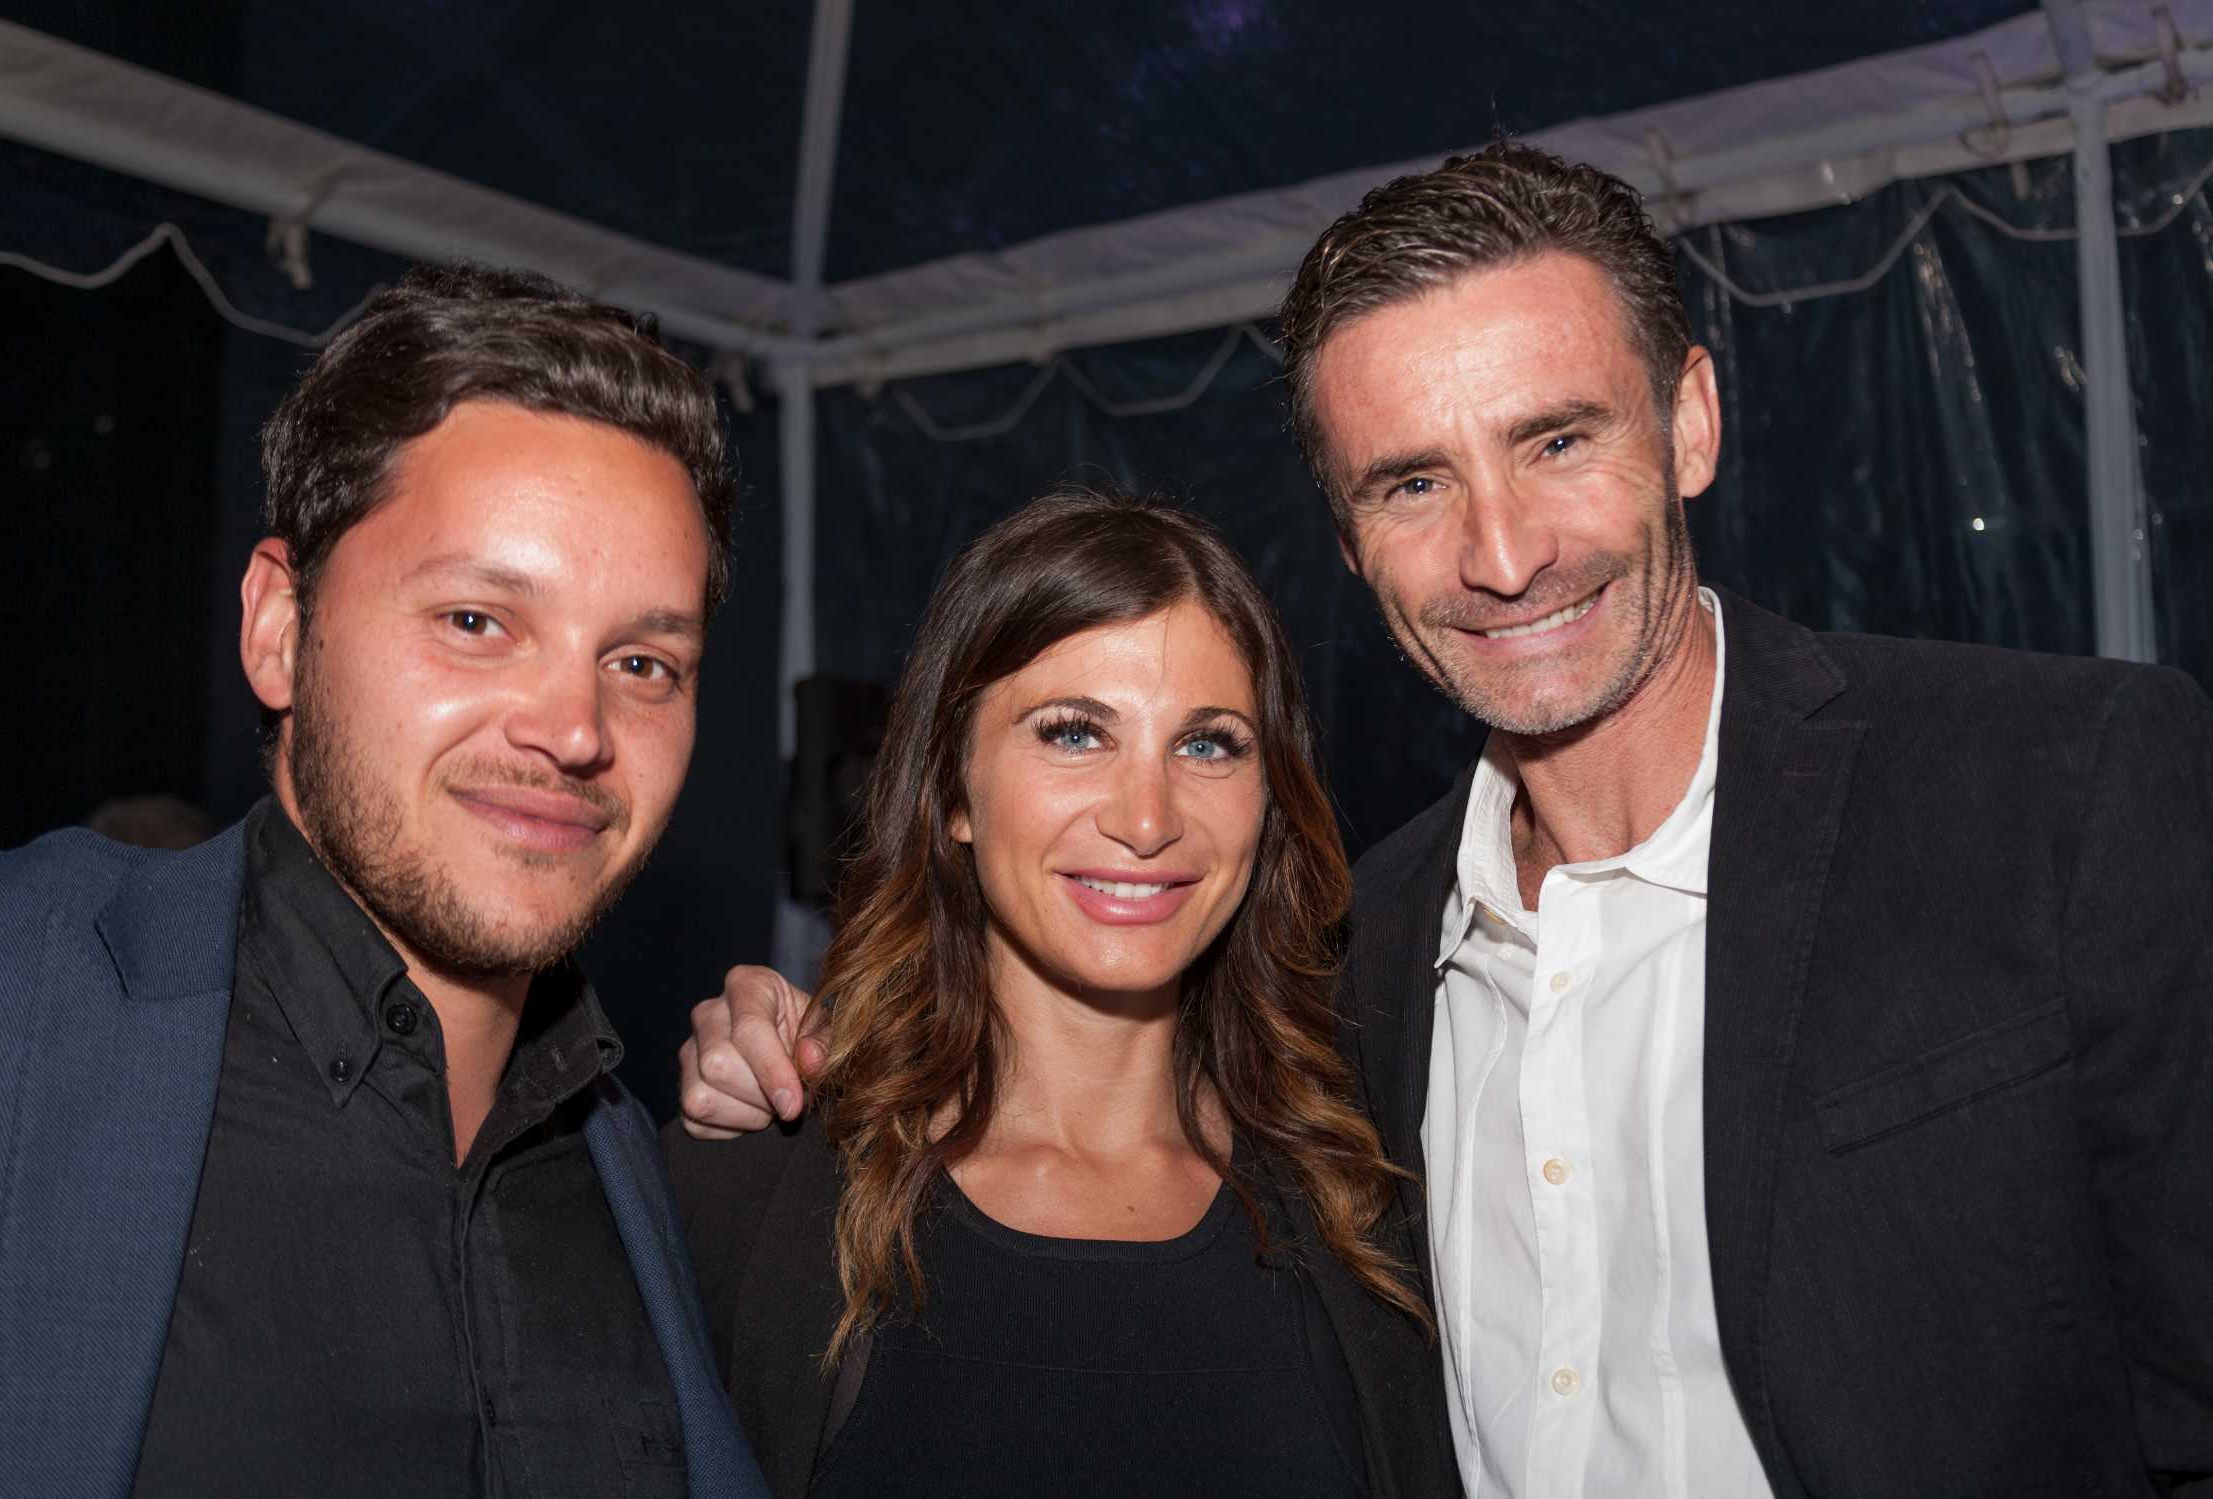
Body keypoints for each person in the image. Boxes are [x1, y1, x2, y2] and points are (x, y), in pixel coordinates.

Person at [681, 142, 2213, 1497]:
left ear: (1688, 421)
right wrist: (775, 1068)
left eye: (1556, 439)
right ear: (1351, 542)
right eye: (1412, 482)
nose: (1501, 552)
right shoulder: (1353, 975)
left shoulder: (2057, 791)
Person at [0, 266, 768, 1499]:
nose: (574, 728)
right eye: (476, 620)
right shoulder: (8, 993)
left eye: (642, 662)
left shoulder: (642, 1171)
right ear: (280, 628)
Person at [662, 489, 1459, 1499]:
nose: (1146, 818)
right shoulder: (748, 1190)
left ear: (1268, 800)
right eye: (1074, 733)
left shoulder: (1375, 1193)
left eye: (1207, 743)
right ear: (952, 789)